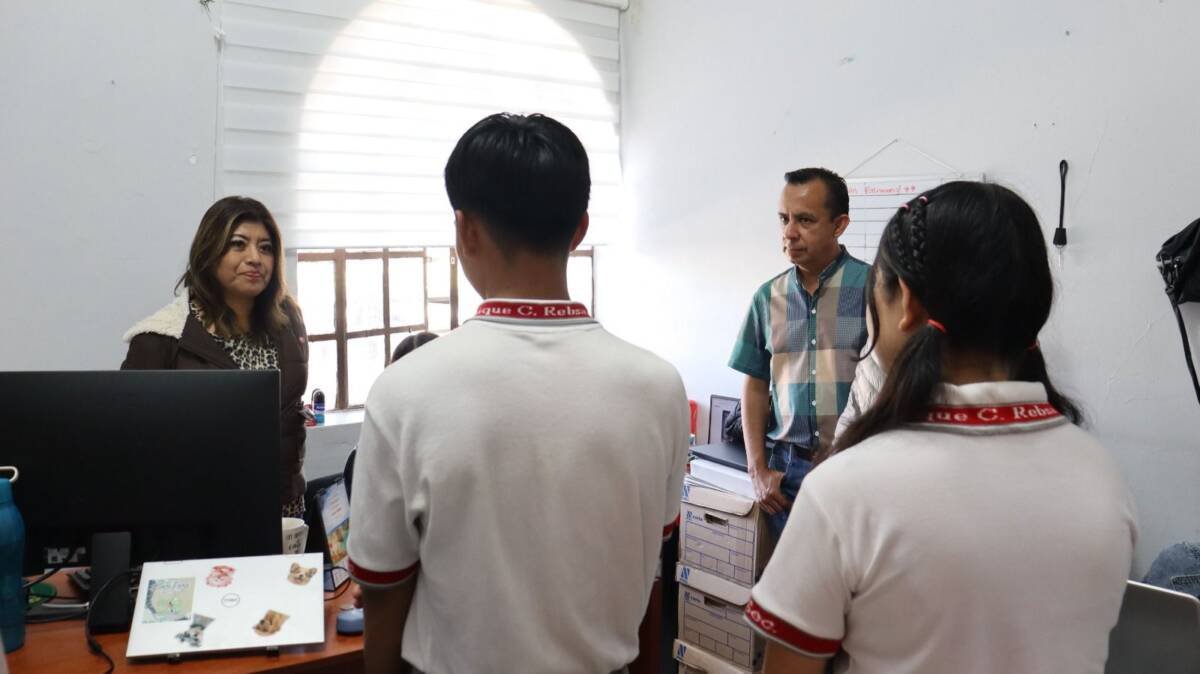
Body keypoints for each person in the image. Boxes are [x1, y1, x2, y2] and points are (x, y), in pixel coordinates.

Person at [744, 182, 1138, 674]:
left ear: (906, 303)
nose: (790, 231)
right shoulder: (1101, 475)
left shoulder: (847, 492)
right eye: (785, 219)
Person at [346, 113, 689, 674]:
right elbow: (651, 565)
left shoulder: (405, 389)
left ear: (465, 229)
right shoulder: (659, 387)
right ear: (579, 229)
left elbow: (383, 587)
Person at [122, 196, 309, 517]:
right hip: (199, 513)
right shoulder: (162, 337)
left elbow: (291, 410)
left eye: (265, 248)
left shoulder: (287, 319)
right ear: (209, 252)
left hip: (281, 504)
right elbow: (131, 440)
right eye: (238, 244)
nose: (255, 258)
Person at [729, 168, 869, 537]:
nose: (789, 232)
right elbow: (755, 384)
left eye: (804, 220)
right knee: (791, 574)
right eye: (784, 219)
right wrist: (757, 470)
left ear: (839, 225)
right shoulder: (767, 298)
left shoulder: (873, 290)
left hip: (854, 467)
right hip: (786, 474)